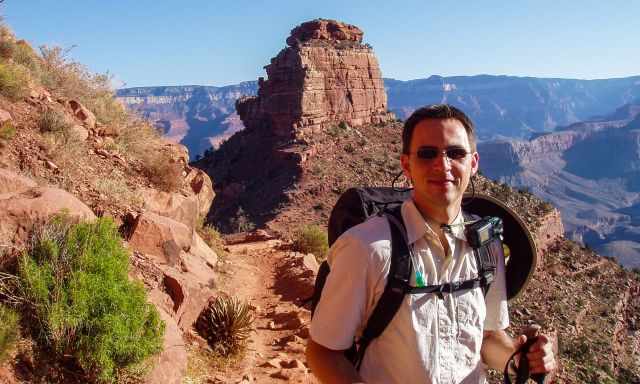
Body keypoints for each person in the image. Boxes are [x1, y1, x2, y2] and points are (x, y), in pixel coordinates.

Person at [306, 104, 556, 383]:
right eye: (427, 154)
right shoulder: (367, 247)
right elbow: (324, 352)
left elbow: (486, 336)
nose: (443, 164)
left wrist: (518, 359)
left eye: (456, 153)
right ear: (406, 165)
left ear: (473, 163)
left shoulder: (487, 246)